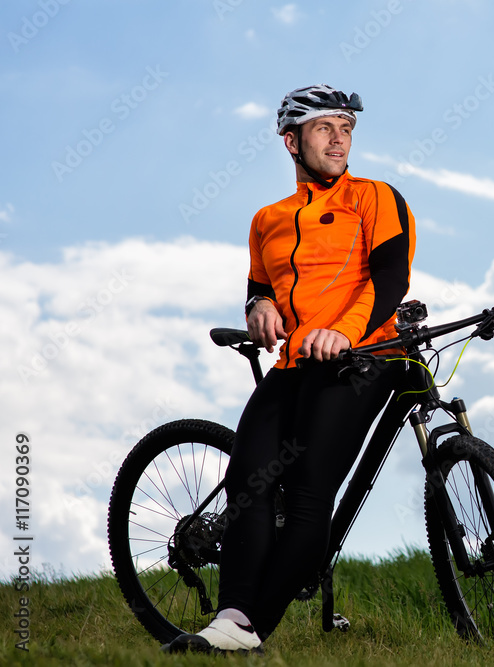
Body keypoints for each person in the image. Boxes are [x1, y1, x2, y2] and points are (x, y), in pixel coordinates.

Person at [168, 85, 416, 654]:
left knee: (308, 494)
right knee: (247, 485)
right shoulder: (267, 220)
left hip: (361, 358)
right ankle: (229, 620)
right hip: (295, 362)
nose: (339, 138)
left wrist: (345, 332)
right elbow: (259, 287)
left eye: (346, 128)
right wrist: (258, 308)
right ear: (291, 141)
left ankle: (244, 629)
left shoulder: (376, 197)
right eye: (325, 127)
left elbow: (390, 279)